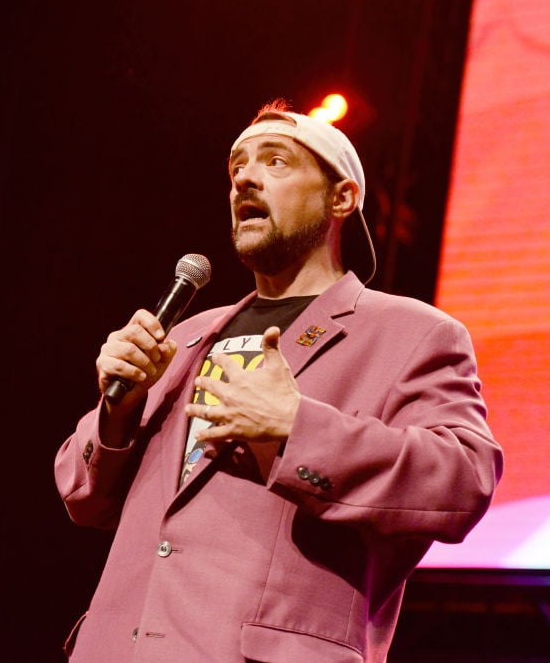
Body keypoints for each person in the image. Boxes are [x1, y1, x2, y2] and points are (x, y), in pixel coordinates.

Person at [54, 101, 503, 663]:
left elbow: (463, 483)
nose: (244, 177)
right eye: (237, 166)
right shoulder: (187, 334)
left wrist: (296, 428)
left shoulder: (411, 333)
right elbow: (80, 493)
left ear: (341, 198)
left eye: (276, 162)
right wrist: (117, 412)